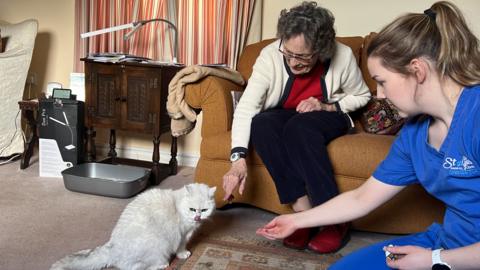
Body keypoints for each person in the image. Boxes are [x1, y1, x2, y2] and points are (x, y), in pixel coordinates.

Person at [256, 1, 480, 269]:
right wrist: (296, 221)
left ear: (417, 71)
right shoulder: (414, 135)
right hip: (448, 243)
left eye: (382, 81)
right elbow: (362, 198)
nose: (380, 95)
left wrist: (436, 260)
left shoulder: (475, 116)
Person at [222, 1, 371, 254]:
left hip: (328, 113)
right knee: (262, 123)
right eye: (288, 53)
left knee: (299, 128)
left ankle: (335, 220)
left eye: (302, 56)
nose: (293, 62)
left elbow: (362, 95)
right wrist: (238, 159)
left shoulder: (342, 55)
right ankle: (304, 215)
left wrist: (325, 106)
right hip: (286, 115)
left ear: (321, 49)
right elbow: (247, 108)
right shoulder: (270, 56)